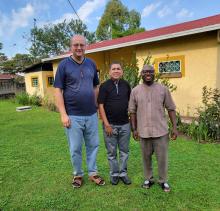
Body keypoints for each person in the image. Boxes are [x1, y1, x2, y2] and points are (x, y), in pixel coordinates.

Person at [54, 35, 105, 188]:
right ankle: (77, 174)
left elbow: (96, 87)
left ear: (86, 46)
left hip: (91, 115)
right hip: (73, 115)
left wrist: (96, 107)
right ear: (71, 46)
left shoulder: (91, 64)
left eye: (82, 45)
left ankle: (93, 173)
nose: (79, 48)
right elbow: (58, 90)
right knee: (75, 148)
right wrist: (63, 113)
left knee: (93, 145)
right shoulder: (64, 65)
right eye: (76, 45)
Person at [129, 64, 178, 192]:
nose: (148, 73)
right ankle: (148, 179)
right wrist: (134, 129)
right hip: (143, 131)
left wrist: (174, 127)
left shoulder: (163, 89)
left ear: (154, 73)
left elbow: (171, 109)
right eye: (145, 72)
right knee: (146, 157)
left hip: (161, 131)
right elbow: (132, 111)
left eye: (150, 71)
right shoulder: (135, 91)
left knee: (162, 158)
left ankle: (163, 180)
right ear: (141, 74)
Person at [98, 62, 131, 185]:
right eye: (114, 69)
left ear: (122, 71)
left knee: (124, 151)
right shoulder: (104, 86)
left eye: (118, 69)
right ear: (109, 72)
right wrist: (106, 124)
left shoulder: (126, 85)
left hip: (125, 125)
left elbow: (130, 103)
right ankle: (114, 174)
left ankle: (123, 173)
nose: (116, 71)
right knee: (111, 152)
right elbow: (100, 105)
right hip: (110, 125)